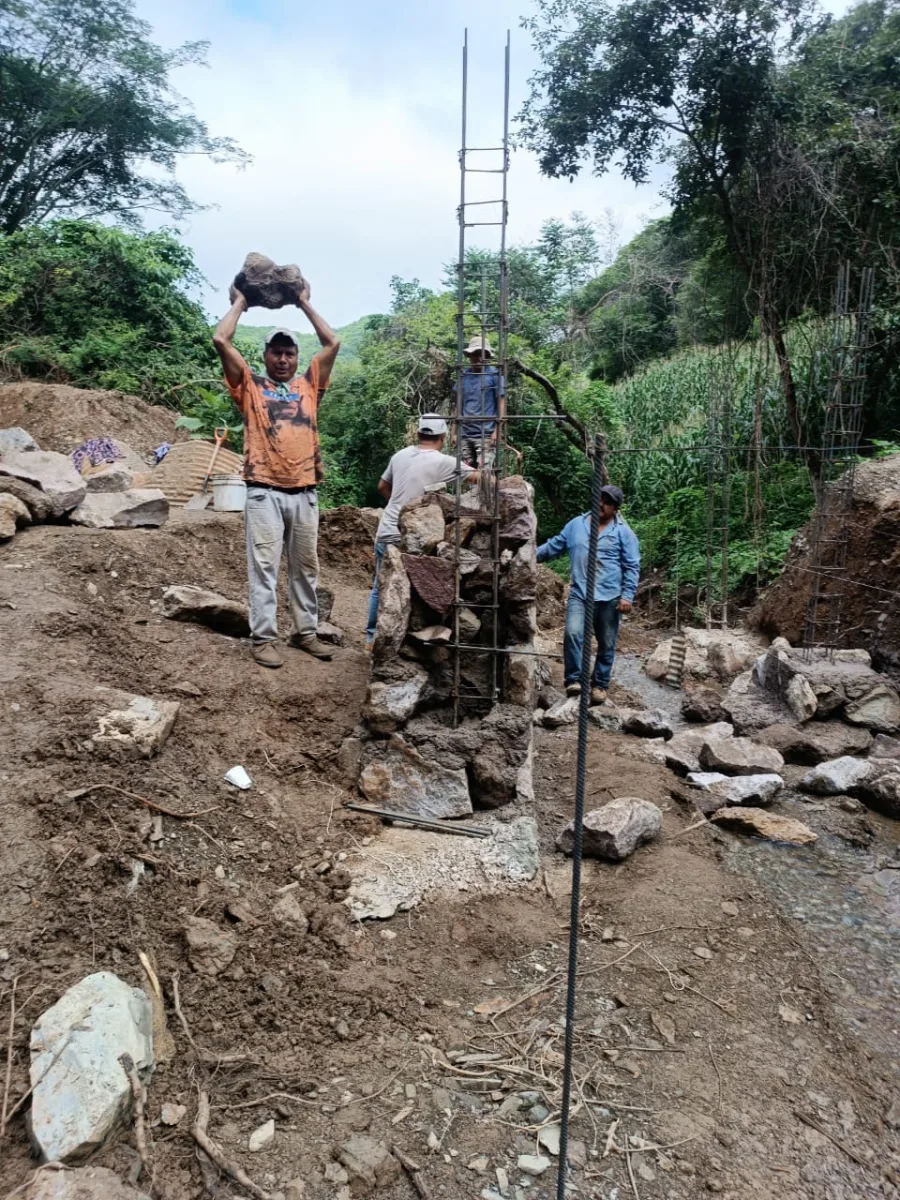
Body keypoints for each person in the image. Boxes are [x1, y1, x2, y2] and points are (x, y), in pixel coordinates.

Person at [213, 280, 340, 669]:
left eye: (289, 353)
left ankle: (305, 633)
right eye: (276, 352)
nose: (283, 359)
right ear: (265, 355)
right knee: (264, 568)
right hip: (263, 490)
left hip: (305, 491)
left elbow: (332, 343)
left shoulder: (309, 385)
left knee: (306, 567)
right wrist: (240, 302)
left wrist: (303, 302)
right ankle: (263, 638)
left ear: (296, 357)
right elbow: (221, 339)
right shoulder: (250, 386)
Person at [366, 414, 477, 646]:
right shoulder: (443, 461)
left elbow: (382, 486)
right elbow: (479, 478)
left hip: (387, 529)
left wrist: (398, 506)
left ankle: (370, 638)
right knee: (418, 589)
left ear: (418, 434)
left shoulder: (400, 455)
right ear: (444, 437)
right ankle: (409, 639)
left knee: (380, 585)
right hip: (414, 537)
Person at [536, 484, 640, 704]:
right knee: (573, 633)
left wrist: (627, 596)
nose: (601, 504)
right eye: (599, 499)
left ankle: (600, 685)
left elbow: (632, 566)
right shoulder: (576, 525)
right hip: (580, 593)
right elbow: (555, 545)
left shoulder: (623, 532)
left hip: (610, 596)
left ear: (615, 508)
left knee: (606, 642)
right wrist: (529, 555)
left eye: (608, 502)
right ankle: (573, 680)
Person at [453, 337, 506, 468]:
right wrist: (454, 432)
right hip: (465, 432)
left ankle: (485, 489)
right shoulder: (464, 376)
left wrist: (497, 431)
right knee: (467, 472)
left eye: (481, 354)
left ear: (487, 356)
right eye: (474, 354)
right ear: (469, 356)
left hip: (486, 433)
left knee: (483, 471)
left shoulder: (494, 375)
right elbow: (458, 405)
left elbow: (501, 403)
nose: (478, 358)